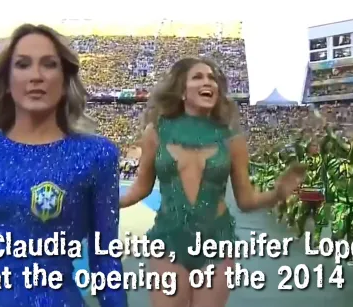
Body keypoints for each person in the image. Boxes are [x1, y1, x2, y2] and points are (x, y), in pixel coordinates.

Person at [120, 57, 305, 307]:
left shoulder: (232, 139)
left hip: (217, 242)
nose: (208, 82)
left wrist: (277, 193)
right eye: (198, 77)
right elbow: (140, 188)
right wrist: (105, 199)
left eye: (212, 78)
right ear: (181, 91)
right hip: (168, 240)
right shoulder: (156, 132)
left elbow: (246, 200)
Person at [0, 24, 127, 307]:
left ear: (65, 81)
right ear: (5, 81)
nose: (36, 76)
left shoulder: (97, 155)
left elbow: (106, 262)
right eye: (23, 65)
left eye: (49, 65)